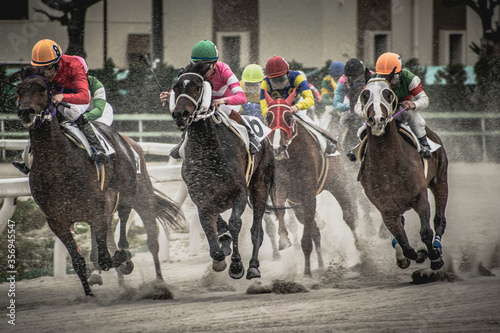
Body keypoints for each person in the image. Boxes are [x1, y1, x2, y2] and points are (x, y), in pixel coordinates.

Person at [12, 39, 109, 175]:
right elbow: (29, 90)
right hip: (54, 96)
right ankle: (26, 156)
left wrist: (64, 97)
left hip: (76, 97)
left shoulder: (74, 65)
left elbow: (84, 97)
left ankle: (97, 147)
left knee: (71, 111)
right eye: (40, 68)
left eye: (48, 68)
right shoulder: (38, 68)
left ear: (58, 63)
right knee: (39, 117)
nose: (44, 72)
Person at [161, 40, 260, 159]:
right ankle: (183, 141)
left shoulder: (224, 70)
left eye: (205, 66)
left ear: (214, 64)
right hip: (205, 102)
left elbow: (242, 97)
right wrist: (170, 95)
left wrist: (224, 100)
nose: (200, 69)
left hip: (226, 103)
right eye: (196, 64)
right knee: (193, 112)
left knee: (223, 109)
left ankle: (250, 136)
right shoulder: (191, 70)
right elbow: (184, 89)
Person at [352, 52, 431, 159]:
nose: (387, 81)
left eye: (391, 77)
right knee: (363, 128)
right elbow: (358, 105)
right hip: (383, 112)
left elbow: (424, 100)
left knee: (413, 116)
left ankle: (424, 143)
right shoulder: (373, 80)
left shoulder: (410, 79)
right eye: (383, 76)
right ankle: (360, 146)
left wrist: (413, 104)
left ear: (400, 73)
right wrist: (366, 113)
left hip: (402, 111)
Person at [260, 56, 337, 154]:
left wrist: (297, 107)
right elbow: (263, 109)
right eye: (274, 80)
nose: (279, 83)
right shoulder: (265, 83)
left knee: (304, 120)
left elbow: (310, 99)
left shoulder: (297, 77)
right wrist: (274, 113)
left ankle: (324, 142)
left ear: (288, 73)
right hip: (276, 109)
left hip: (295, 104)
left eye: (282, 78)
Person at [74, 56, 114, 126]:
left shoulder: (96, 85)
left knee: (95, 130)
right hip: (76, 112)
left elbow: (98, 111)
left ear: (86, 75)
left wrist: (83, 117)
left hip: (101, 113)